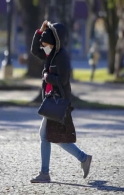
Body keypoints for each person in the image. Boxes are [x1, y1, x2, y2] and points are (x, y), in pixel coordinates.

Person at [30, 20, 92, 183]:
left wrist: (47, 77)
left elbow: (63, 79)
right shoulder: (50, 54)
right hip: (51, 100)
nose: (44, 47)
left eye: (46, 44)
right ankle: (83, 158)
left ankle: (45, 173)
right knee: (53, 137)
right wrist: (39, 32)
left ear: (54, 42)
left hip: (58, 102)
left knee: (46, 136)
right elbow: (35, 50)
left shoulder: (62, 56)